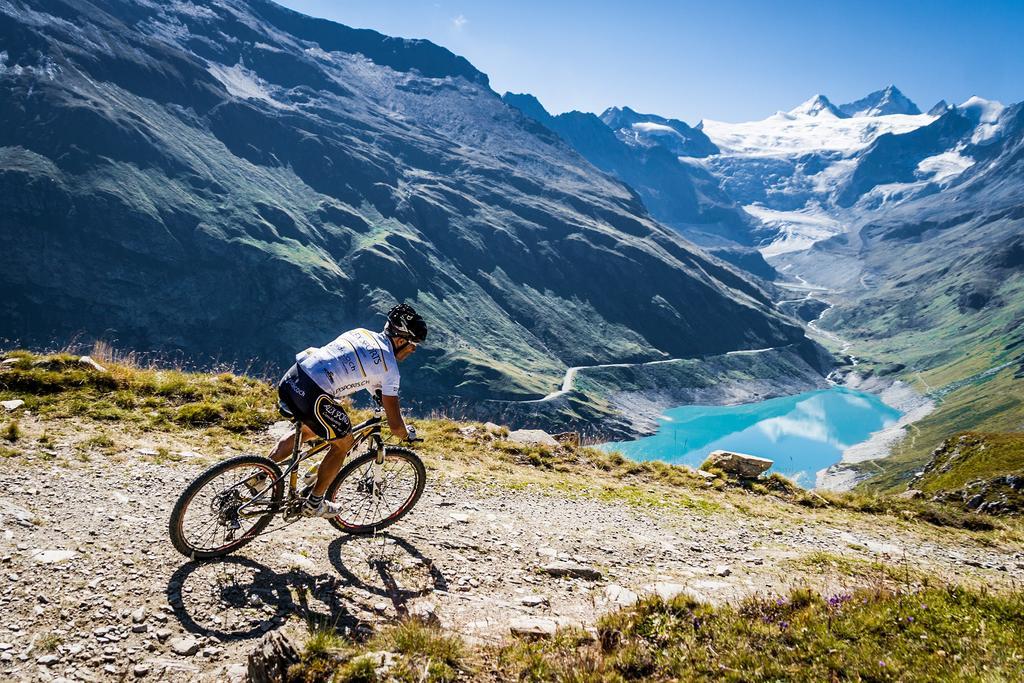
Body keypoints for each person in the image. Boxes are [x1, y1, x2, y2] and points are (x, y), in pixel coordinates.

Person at [268, 303, 427, 517]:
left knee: (309, 429)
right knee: (344, 443)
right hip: (314, 392)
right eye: (413, 344)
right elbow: (396, 427)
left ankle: (261, 475)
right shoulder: (390, 369)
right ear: (400, 340)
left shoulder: (361, 332)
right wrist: (408, 434)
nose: (413, 350)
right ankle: (315, 503)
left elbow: (363, 369)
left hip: (293, 377)